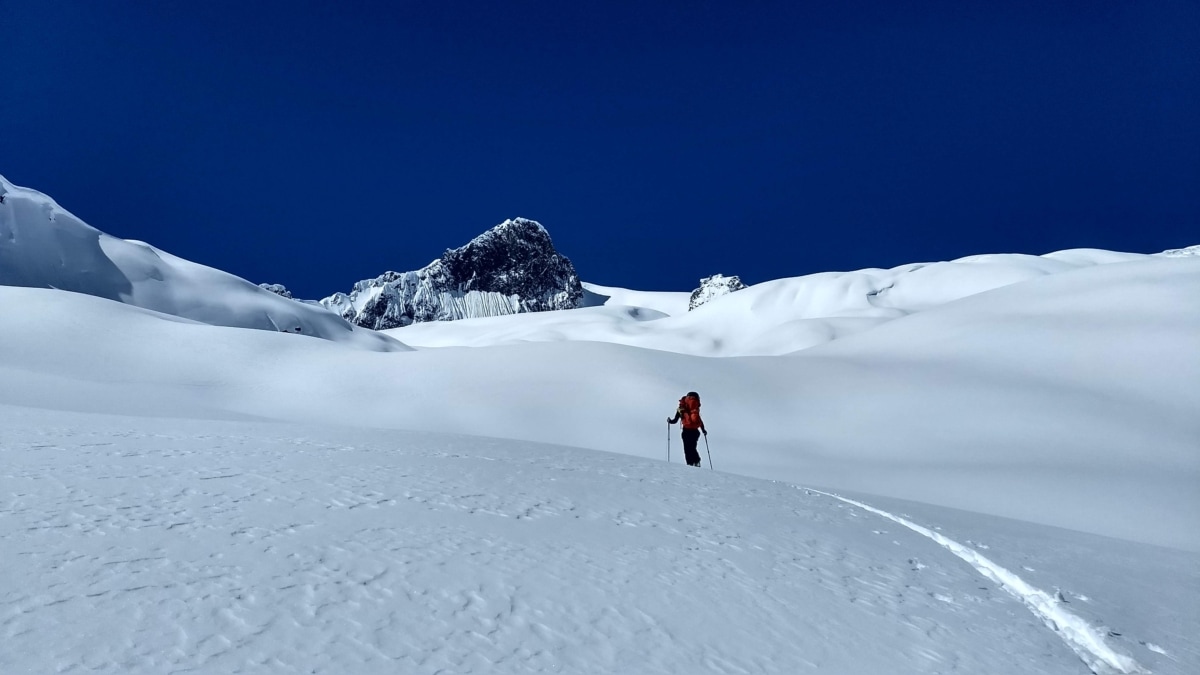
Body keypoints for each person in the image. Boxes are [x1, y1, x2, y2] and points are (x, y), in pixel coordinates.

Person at [668, 391, 707, 467]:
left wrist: (669, 421)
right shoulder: (695, 409)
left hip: (686, 431)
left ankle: (689, 464)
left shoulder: (682, 408)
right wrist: (703, 430)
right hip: (695, 432)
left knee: (687, 448)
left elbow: (675, 421)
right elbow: (699, 421)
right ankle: (696, 461)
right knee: (693, 447)